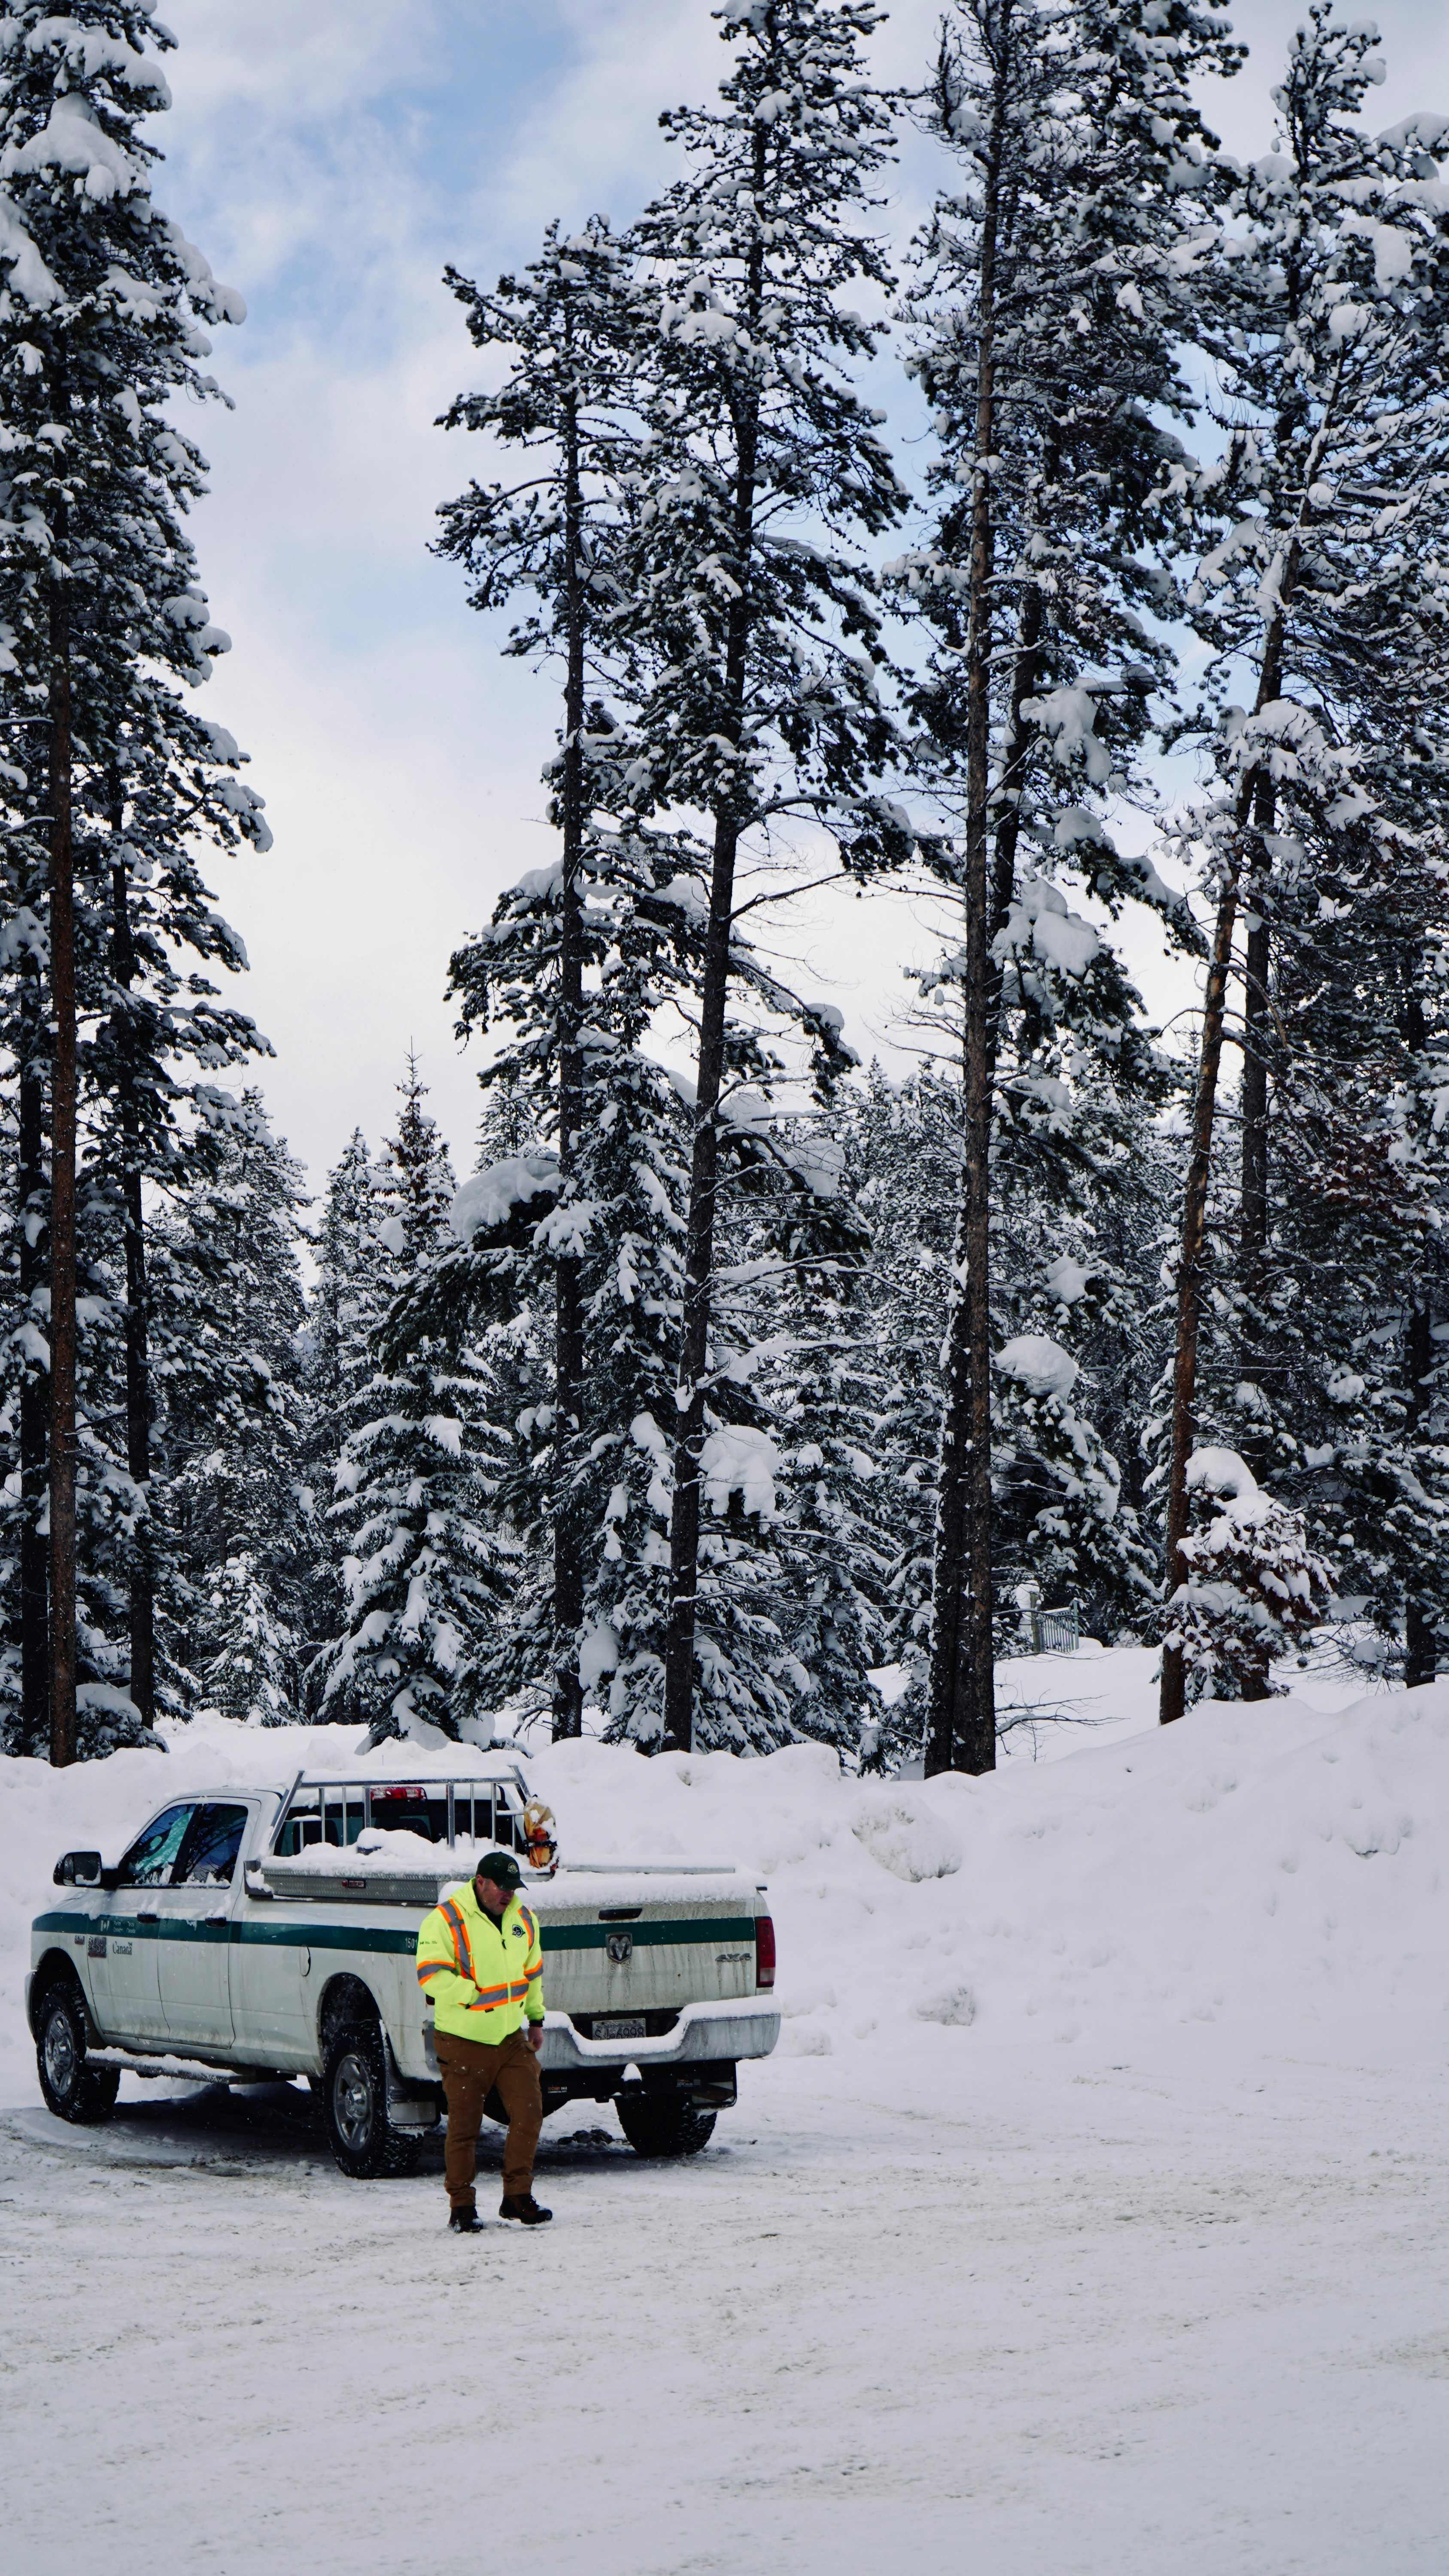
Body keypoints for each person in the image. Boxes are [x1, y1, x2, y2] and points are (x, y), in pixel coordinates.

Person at [415, 1849, 552, 2231]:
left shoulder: (523, 1918)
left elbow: (533, 1973)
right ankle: (461, 2206)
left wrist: (536, 2019)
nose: (508, 1894)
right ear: (480, 1883)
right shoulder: (445, 1920)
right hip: (463, 2039)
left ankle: (517, 2198)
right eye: (501, 1887)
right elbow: (430, 1975)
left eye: (513, 1887)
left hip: (510, 2038)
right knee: (465, 2126)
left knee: (529, 2113)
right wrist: (471, 1994)